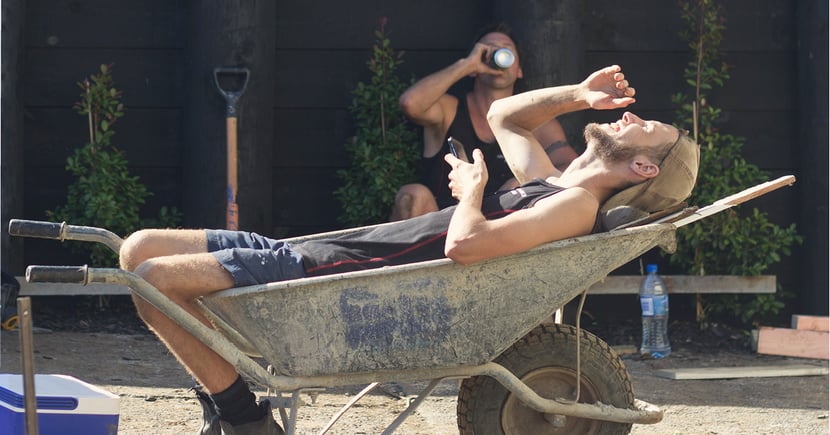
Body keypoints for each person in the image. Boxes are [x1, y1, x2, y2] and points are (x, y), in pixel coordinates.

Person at [119, 65, 699, 434]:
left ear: (644, 167)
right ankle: (226, 404)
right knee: (137, 249)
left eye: (646, 128)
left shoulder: (575, 209)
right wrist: (578, 95)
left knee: (152, 279)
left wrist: (472, 193)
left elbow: (467, 246)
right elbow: (505, 116)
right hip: (326, 254)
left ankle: (244, 420)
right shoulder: (552, 185)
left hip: (331, 275)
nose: (632, 116)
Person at [390, 23, 578, 221]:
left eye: (506, 51)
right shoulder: (449, 110)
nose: (498, 57)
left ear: (519, 69)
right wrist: (468, 64)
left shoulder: (538, 123)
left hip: (503, 224)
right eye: (487, 50)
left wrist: (523, 181)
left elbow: (571, 166)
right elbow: (411, 104)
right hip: (441, 226)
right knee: (412, 194)